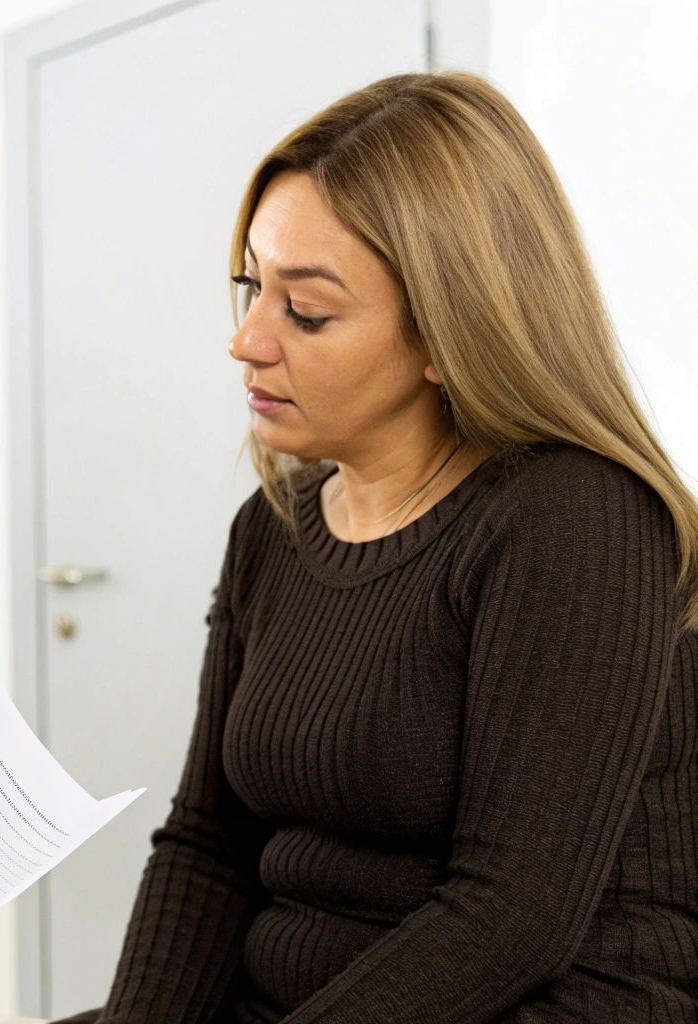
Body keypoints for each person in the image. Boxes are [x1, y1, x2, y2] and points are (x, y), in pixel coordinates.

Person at [60, 73, 698, 1023]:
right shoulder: (271, 531)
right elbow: (207, 844)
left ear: (450, 330)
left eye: (305, 312)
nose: (245, 341)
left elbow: (510, 918)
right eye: (250, 288)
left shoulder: (577, 521)